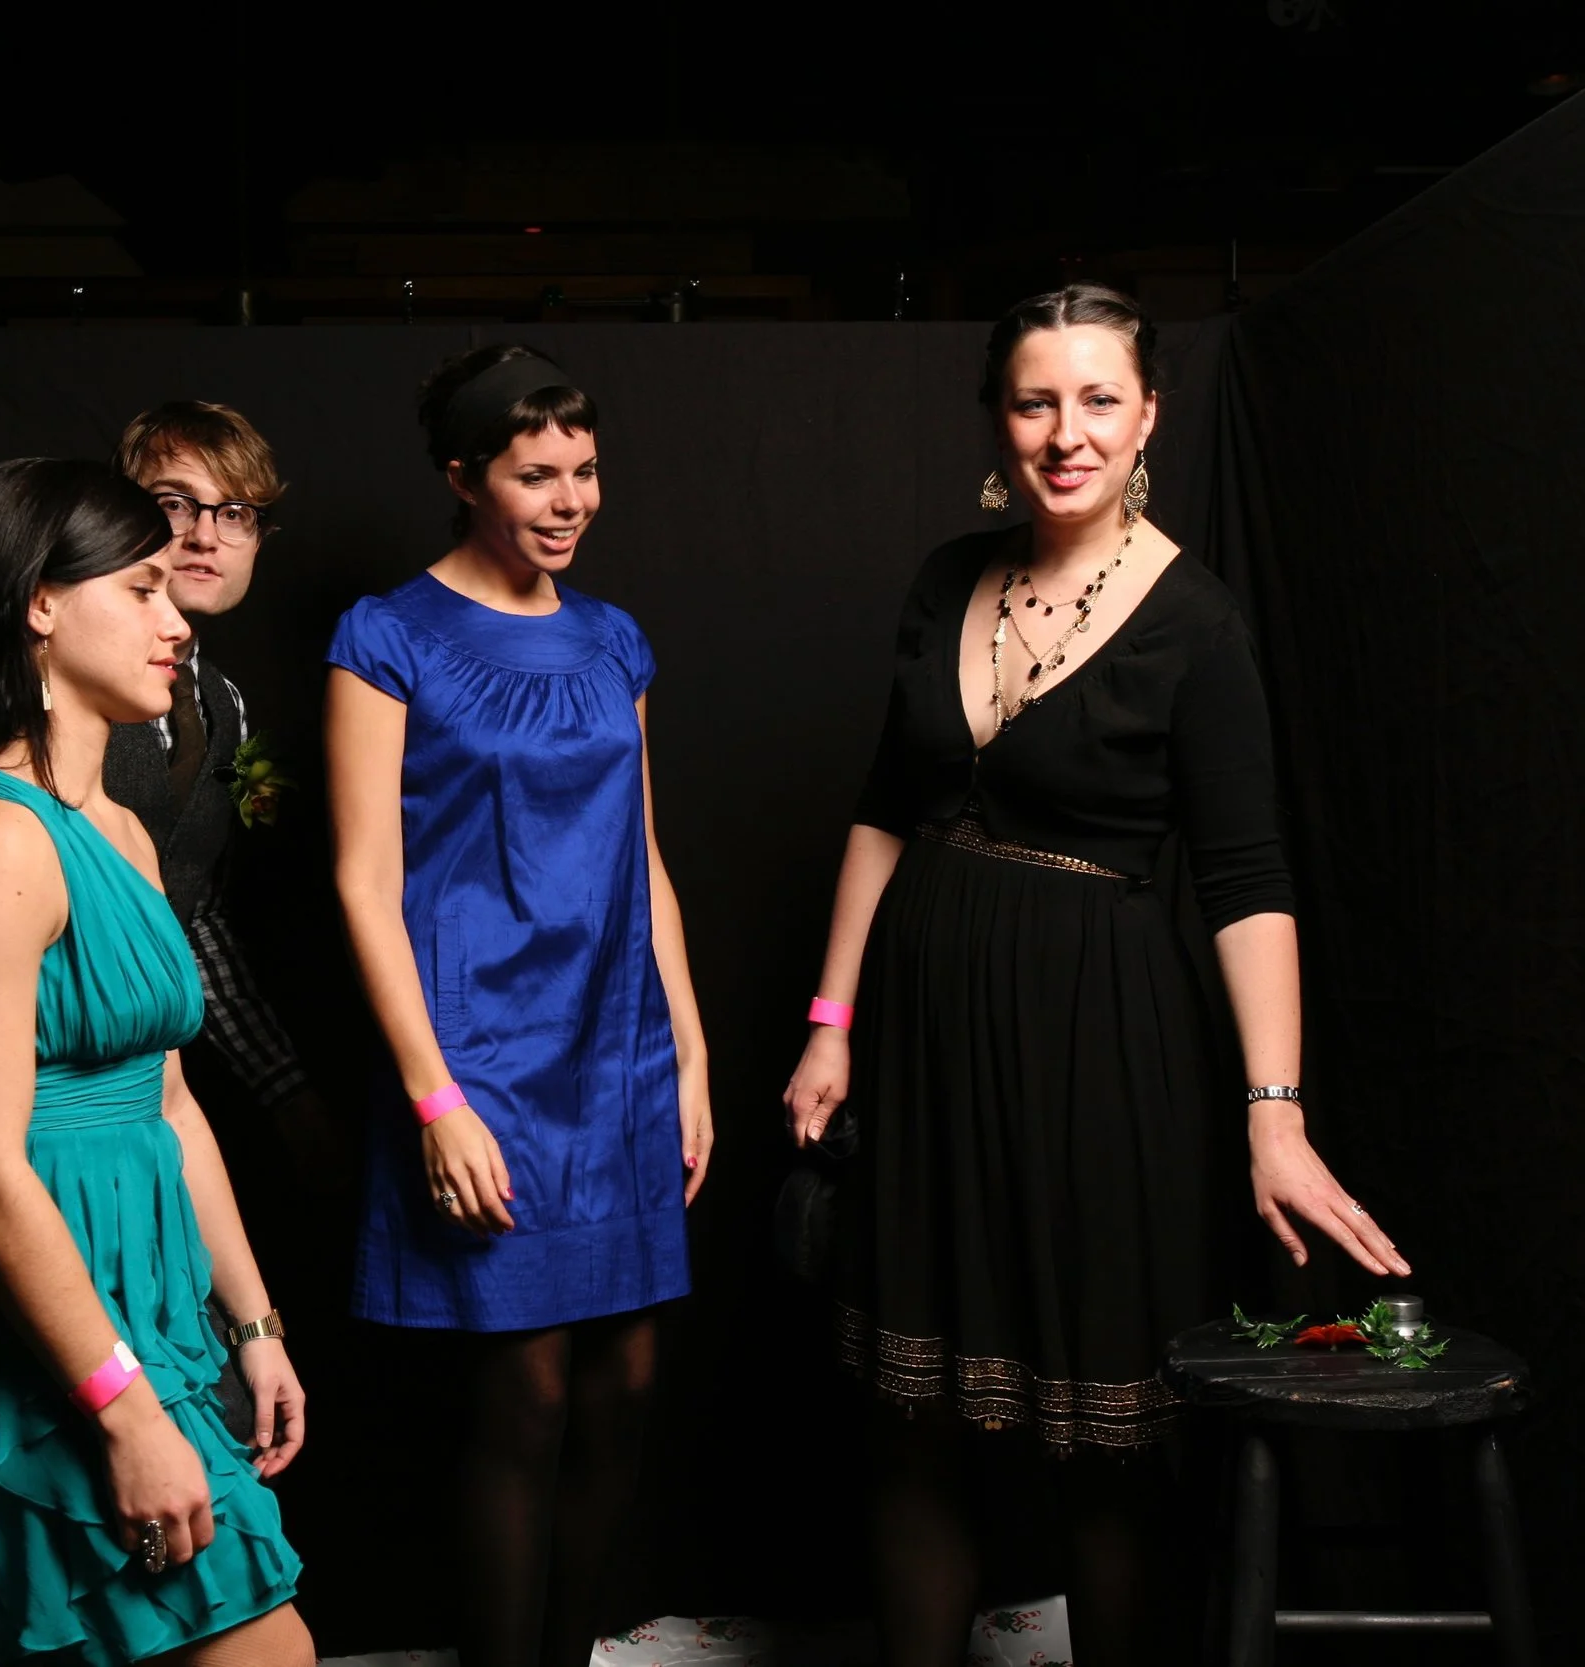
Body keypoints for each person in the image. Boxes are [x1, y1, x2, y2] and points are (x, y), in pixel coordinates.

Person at [779, 285, 1406, 1667]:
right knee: (912, 1416)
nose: (1067, 433)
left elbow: (1247, 881)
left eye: (1098, 400)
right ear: (999, 421)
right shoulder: (948, 577)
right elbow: (884, 807)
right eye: (1036, 401)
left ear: (1148, 418)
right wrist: (832, 1019)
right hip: (927, 1040)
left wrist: (1275, 1110)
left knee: (1104, 1436)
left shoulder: (1199, 624)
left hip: (1099, 1047)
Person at [0, 459, 312, 1667]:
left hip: (148, 1296)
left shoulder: (121, 830)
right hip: (36, 1314)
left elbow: (174, 1100)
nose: (174, 621)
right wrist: (124, 1412)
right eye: (140, 589)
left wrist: (252, 1320)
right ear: (41, 600)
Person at [323, 345, 711, 1667]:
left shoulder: (614, 640)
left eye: (584, 471)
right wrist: (433, 1096)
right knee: (526, 1391)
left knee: (627, 1385)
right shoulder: (387, 636)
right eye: (535, 473)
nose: (569, 500)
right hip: (478, 1051)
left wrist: (690, 1050)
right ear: (462, 475)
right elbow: (362, 881)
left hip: (617, 1048)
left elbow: (643, 853)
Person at [0, 402, 327, 1175]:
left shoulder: (225, 707)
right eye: (176, 503)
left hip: (142, 1120)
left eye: (235, 512)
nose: (205, 535)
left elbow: (190, 915)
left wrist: (286, 1093)